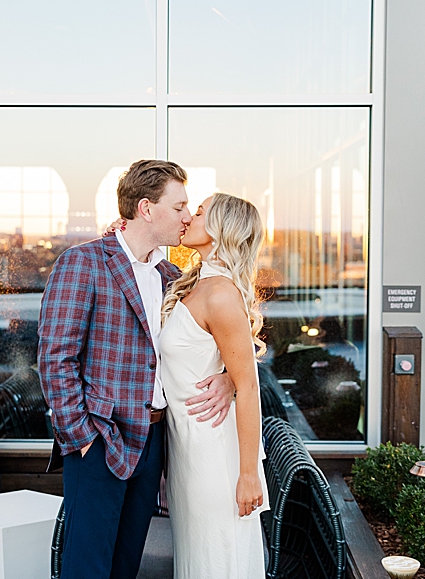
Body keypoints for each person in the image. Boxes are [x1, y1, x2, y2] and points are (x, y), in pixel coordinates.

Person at [38, 160, 236, 579]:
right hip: (99, 439)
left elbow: (222, 338)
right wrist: (82, 438)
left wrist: (230, 378)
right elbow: (56, 359)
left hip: (156, 440)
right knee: (86, 567)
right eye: (180, 206)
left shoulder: (172, 276)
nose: (187, 216)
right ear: (147, 209)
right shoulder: (83, 262)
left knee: (126, 565)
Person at [158, 192, 270, 578]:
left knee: (217, 561)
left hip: (213, 458)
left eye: (200, 212)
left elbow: (250, 387)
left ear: (222, 229)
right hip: (186, 451)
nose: (189, 217)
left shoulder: (221, 294)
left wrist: (249, 473)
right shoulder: (194, 283)